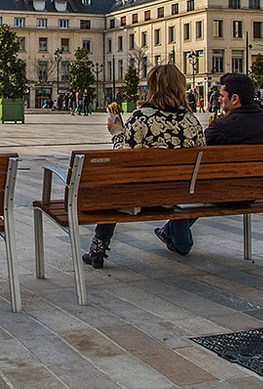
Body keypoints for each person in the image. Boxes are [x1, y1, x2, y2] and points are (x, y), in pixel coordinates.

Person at [82, 65, 205, 270]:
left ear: (151, 88)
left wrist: (116, 131)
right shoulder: (191, 120)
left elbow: (124, 155)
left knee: (112, 185)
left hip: (139, 196)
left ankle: (98, 248)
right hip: (178, 194)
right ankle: (180, 240)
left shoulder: (141, 117)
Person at [156, 72, 263, 257]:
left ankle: (180, 241)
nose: (220, 101)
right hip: (258, 191)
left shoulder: (222, 126)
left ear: (235, 98)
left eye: (222, 97)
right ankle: (168, 232)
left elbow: (196, 156)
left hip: (224, 192)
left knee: (187, 187)